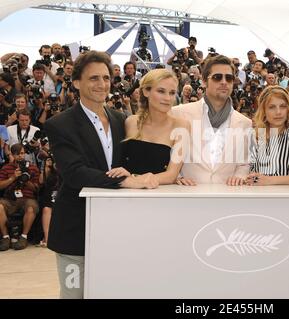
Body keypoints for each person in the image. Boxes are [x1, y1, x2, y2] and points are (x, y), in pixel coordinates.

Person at [44, 51, 159, 299]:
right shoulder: (59, 124)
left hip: (115, 228)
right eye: (93, 78)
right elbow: (74, 173)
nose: (102, 84)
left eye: (106, 78)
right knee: (74, 294)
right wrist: (124, 180)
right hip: (74, 229)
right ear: (76, 82)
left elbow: (132, 162)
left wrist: (168, 174)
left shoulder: (121, 119)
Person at [171, 55, 252, 186]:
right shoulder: (179, 113)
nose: (224, 82)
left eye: (229, 78)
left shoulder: (245, 122)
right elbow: (169, 154)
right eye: (217, 77)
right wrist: (176, 177)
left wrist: (240, 176)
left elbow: (244, 163)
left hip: (227, 197)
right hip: (187, 196)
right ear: (204, 81)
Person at [111, 69, 189, 184]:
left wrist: (134, 180)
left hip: (158, 196)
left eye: (172, 93)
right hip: (124, 195)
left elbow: (171, 175)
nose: (167, 98)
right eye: (161, 91)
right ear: (146, 91)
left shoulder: (181, 126)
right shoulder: (130, 122)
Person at [246, 86, 289, 186]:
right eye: (272, 107)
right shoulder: (257, 136)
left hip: (285, 198)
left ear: (288, 109)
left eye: (283, 106)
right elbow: (251, 175)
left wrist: (269, 180)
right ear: (264, 111)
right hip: (258, 197)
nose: (278, 112)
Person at [0, 143, 40, 251]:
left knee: (31, 207)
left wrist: (25, 179)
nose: (20, 156)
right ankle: (5, 237)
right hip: (10, 199)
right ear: (12, 155)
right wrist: (13, 177)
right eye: (17, 154)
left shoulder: (33, 168)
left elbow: (37, 189)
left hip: (27, 199)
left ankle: (23, 237)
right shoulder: (6, 168)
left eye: (22, 153)